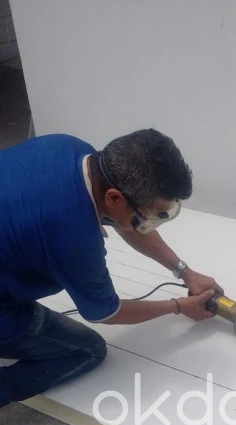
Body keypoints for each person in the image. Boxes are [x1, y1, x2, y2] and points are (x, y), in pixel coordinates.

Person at [0, 129, 224, 408]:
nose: (150, 221)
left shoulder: (72, 149)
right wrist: (179, 306)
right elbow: (107, 313)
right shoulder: (74, 237)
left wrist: (185, 272)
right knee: (89, 350)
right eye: (150, 214)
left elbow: (126, 222)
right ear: (114, 198)